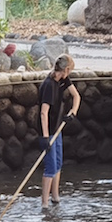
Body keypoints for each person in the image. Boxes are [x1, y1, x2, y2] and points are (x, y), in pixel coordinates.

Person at [36, 55, 79, 210]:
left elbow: (76, 96)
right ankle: (45, 203)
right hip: (47, 130)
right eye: (70, 70)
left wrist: (72, 113)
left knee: (58, 163)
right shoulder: (48, 85)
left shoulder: (63, 80)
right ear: (65, 69)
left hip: (57, 128)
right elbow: (43, 113)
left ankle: (55, 196)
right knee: (50, 166)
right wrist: (45, 137)